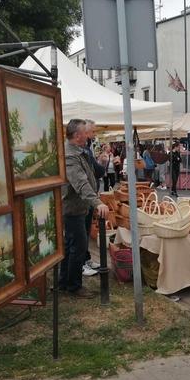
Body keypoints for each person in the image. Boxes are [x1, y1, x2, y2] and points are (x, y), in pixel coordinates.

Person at [61, 119, 110, 298]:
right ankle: (74, 286)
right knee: (79, 247)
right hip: (72, 209)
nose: (89, 135)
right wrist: (98, 203)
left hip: (77, 208)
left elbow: (91, 174)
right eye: (85, 132)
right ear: (77, 135)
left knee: (70, 247)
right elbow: (81, 184)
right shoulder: (70, 155)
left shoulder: (78, 151)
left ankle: (63, 283)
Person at [82, 120, 107, 276]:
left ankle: (86, 259)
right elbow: (96, 170)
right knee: (80, 232)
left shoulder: (88, 147)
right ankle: (82, 262)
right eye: (93, 131)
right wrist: (102, 165)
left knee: (84, 230)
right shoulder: (82, 150)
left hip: (90, 195)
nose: (94, 134)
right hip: (84, 198)